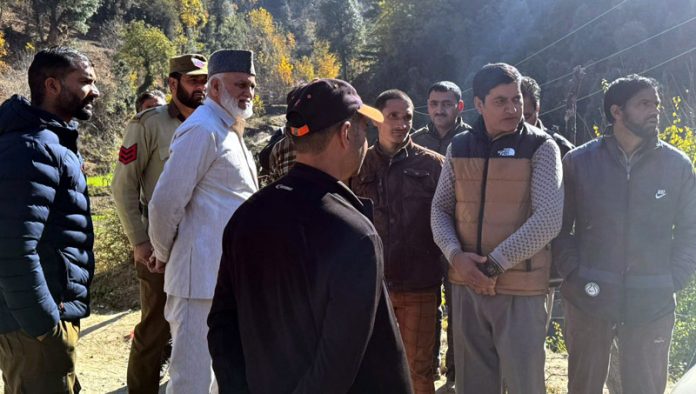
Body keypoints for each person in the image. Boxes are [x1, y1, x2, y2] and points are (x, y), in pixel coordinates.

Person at [208, 78, 413, 394]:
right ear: (346, 134)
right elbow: (338, 360)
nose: (365, 141)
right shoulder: (353, 234)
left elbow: (222, 324)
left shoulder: (247, 215)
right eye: (363, 131)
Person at [553, 74, 696, 394]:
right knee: (583, 386)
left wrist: (673, 278)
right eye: (644, 104)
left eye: (656, 104)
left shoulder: (677, 165)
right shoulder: (579, 161)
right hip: (589, 297)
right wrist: (574, 274)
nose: (655, 111)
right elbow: (560, 228)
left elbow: (691, 229)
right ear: (617, 112)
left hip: (652, 299)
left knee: (645, 388)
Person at [431, 63, 563, 394]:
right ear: (478, 104)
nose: (513, 108)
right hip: (466, 286)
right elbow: (440, 208)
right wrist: (455, 256)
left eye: (516, 99)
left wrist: (493, 265)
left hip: (521, 288)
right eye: (501, 101)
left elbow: (548, 218)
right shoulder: (459, 148)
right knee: (473, 384)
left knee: (524, 383)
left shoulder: (542, 148)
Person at [147, 49, 258, 394]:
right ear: (213, 88)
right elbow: (164, 203)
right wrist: (163, 253)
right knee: (190, 382)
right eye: (239, 84)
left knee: (220, 380)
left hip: (225, 279)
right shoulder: (201, 129)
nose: (248, 93)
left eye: (251, 86)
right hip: (197, 285)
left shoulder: (228, 129)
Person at [0, 47, 100, 394]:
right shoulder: (30, 149)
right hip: (34, 327)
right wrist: (43, 325)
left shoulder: (53, 144)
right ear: (52, 85)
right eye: (86, 81)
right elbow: (11, 246)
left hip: (45, 319)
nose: (95, 91)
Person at [111, 53, 208, 394]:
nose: (202, 88)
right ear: (173, 83)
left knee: (200, 328)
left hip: (204, 248)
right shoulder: (147, 124)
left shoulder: (215, 122)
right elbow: (122, 187)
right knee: (154, 330)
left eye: (206, 81)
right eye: (194, 80)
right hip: (160, 249)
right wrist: (140, 241)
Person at [350, 89, 444, 394]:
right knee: (371, 369)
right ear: (377, 120)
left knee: (419, 370)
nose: (402, 123)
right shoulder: (356, 166)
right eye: (393, 116)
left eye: (407, 117)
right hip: (370, 287)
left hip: (420, 286)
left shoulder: (435, 166)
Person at [412, 80, 471, 382]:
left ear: (459, 106)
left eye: (446, 104)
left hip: (460, 237)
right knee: (426, 306)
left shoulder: (472, 141)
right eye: (434, 104)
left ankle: (456, 373)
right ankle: (428, 369)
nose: (439, 110)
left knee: (459, 310)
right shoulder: (416, 141)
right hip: (421, 238)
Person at [520, 76, 575, 158]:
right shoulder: (498, 147)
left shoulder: (563, 150)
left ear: (537, 108)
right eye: (516, 118)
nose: (521, 124)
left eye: (526, 117)